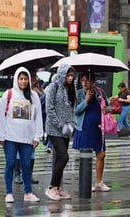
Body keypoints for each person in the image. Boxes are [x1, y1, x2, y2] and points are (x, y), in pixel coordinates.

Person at [0, 67, 42, 203]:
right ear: (16, 79)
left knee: (26, 165)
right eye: (21, 79)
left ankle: (28, 192)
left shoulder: (34, 96)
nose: (23, 81)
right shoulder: (8, 94)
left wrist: (37, 136)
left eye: (25, 78)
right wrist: (1, 136)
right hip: (10, 137)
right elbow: (0, 116)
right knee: (10, 164)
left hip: (27, 138)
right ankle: (8, 192)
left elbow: (38, 117)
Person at [73, 71, 111, 193]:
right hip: (84, 128)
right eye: (83, 80)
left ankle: (99, 182)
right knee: (86, 157)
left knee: (101, 154)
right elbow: (75, 111)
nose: (84, 83)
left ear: (93, 82)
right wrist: (86, 101)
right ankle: (86, 182)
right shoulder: (78, 94)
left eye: (87, 80)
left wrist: (107, 109)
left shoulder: (100, 92)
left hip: (99, 128)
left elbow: (109, 106)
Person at [45, 64, 76, 201]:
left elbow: (71, 108)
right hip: (54, 129)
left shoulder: (70, 89)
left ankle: (57, 187)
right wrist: (60, 125)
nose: (70, 78)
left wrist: (72, 125)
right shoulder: (53, 87)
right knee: (64, 157)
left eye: (72, 76)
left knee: (59, 158)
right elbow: (50, 109)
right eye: (68, 75)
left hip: (66, 130)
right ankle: (52, 187)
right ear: (62, 75)